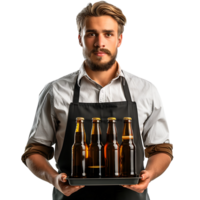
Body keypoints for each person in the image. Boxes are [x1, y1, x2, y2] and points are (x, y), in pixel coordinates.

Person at [19, 1, 175, 199]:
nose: (99, 42)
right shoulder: (54, 90)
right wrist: (54, 179)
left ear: (120, 40)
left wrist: (150, 174)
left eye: (108, 34)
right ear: (79, 39)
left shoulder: (147, 90)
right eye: (91, 33)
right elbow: (34, 151)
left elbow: (161, 148)